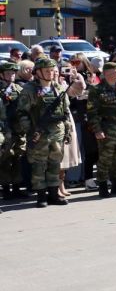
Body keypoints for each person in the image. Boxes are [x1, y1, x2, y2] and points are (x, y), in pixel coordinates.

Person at [15, 57, 72, 207]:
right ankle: (41, 196)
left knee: (55, 163)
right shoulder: (29, 90)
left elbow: (65, 112)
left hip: (56, 132)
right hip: (38, 134)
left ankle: (53, 194)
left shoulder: (59, 88)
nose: (51, 73)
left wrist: (67, 131)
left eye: (53, 71)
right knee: (39, 165)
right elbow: (22, 113)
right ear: (38, 72)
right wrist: (31, 130)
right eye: (47, 71)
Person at [87, 61, 116, 197]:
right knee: (106, 158)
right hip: (107, 128)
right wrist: (97, 129)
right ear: (107, 74)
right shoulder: (97, 90)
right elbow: (92, 112)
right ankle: (102, 186)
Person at [0, 61, 26, 200]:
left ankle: (16, 187)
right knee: (5, 160)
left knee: (17, 158)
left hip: (18, 129)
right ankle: (5, 189)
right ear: (2, 75)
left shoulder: (19, 89)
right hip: (4, 130)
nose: (11, 76)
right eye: (8, 73)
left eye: (13, 73)